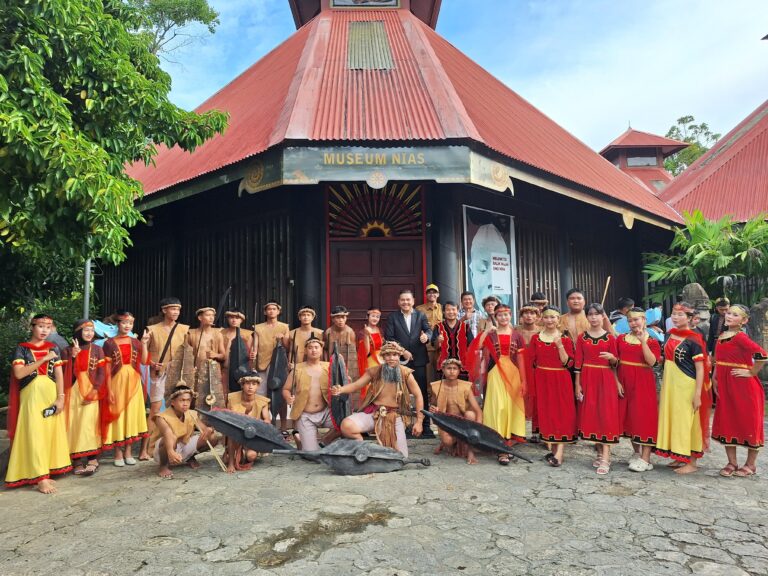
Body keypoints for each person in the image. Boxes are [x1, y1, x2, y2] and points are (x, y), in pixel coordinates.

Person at [5, 314, 71, 493]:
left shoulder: (53, 348)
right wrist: (43, 359)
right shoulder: (22, 349)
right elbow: (19, 373)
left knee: (49, 433)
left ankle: (45, 472)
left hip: (50, 393)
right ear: (32, 327)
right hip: (31, 395)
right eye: (41, 326)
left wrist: (61, 397)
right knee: (34, 434)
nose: (44, 330)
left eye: (48, 327)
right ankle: (40, 477)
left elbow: (59, 374)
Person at [333, 340, 425, 456]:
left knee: (400, 456)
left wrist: (419, 422)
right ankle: (361, 448)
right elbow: (356, 385)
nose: (391, 358)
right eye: (388, 355)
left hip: (395, 416)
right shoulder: (375, 371)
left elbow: (418, 395)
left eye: (395, 355)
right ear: (383, 357)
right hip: (374, 413)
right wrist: (340, 390)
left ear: (399, 356)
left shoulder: (406, 373)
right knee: (347, 425)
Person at [654, 302, 711, 474]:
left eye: (681, 315)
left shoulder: (694, 339)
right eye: (674, 314)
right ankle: (680, 455)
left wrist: (698, 394)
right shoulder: (669, 334)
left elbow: (700, 368)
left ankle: (692, 462)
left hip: (686, 384)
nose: (676, 317)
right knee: (675, 418)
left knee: (688, 421)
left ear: (689, 318)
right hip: (671, 383)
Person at [467, 304, 527, 465]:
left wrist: (524, 381)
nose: (503, 318)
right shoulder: (491, 335)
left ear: (510, 315)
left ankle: (507, 442)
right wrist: (486, 331)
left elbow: (521, 360)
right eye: (500, 315)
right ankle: (498, 442)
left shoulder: (517, 335)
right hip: (495, 374)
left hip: (513, 374)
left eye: (506, 314)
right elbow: (477, 346)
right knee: (497, 407)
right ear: (496, 317)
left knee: (510, 408)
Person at [712, 305, 767, 477]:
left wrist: (751, 372)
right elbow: (718, 360)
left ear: (744, 321)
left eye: (735, 315)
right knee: (728, 421)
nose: (729, 316)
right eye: (729, 313)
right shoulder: (722, 336)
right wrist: (714, 377)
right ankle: (732, 462)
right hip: (726, 386)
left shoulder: (741, 337)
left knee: (749, 423)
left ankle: (750, 465)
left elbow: (762, 354)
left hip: (744, 388)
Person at [574, 303, 623, 475]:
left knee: (606, 415)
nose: (593, 317)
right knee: (593, 414)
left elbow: (616, 363)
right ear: (586, 317)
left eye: (597, 314)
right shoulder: (582, 337)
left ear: (603, 316)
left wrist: (612, 358)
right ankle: (600, 452)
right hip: (588, 378)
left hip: (606, 378)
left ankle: (606, 457)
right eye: (590, 314)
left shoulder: (610, 338)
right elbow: (578, 362)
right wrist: (577, 384)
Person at [101, 311, 150, 467]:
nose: (127, 325)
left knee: (131, 415)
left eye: (130, 323)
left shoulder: (135, 342)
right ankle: (118, 452)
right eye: (124, 322)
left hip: (134, 381)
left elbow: (144, 361)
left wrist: (144, 343)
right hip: (117, 381)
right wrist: (109, 389)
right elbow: (106, 368)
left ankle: (128, 451)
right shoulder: (109, 343)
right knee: (118, 415)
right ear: (118, 324)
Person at [143, 297, 189, 460]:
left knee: (179, 408)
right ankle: (146, 448)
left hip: (178, 373)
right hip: (159, 373)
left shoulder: (185, 329)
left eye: (178, 309)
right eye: (172, 309)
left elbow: (189, 352)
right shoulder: (152, 329)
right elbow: (144, 358)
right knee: (155, 409)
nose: (176, 312)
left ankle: (178, 444)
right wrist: (151, 362)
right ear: (164, 310)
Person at [530, 307, 576, 467]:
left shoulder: (565, 339)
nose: (549, 320)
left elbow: (569, 363)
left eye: (553, 317)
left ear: (558, 319)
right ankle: (554, 449)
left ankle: (560, 453)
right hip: (542, 379)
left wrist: (560, 345)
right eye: (546, 317)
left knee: (561, 413)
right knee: (548, 413)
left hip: (560, 379)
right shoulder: (536, 338)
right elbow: (532, 361)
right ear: (542, 319)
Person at [384, 289, 434, 437]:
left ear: (413, 301)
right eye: (403, 300)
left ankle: (425, 426)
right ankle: (402, 425)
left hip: (419, 359)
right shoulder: (393, 317)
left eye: (408, 300)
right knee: (399, 393)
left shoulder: (420, 315)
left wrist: (427, 336)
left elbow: (429, 330)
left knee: (422, 392)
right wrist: (403, 351)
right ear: (398, 302)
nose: (405, 302)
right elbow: (389, 337)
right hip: (400, 361)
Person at [617, 308, 661, 472]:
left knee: (644, 418)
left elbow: (652, 362)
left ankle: (646, 458)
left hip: (643, 383)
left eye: (636, 319)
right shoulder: (621, 339)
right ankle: (636, 452)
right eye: (630, 320)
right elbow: (616, 362)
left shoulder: (652, 341)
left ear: (644, 320)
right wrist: (616, 381)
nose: (633, 323)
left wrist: (643, 342)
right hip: (624, 382)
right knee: (630, 417)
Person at [62, 319, 106, 476]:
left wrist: (95, 391)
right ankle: (77, 460)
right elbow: (64, 375)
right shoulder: (67, 350)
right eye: (86, 330)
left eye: (92, 330)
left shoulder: (97, 350)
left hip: (91, 390)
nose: (89, 333)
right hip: (73, 392)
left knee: (89, 424)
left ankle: (93, 459)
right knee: (74, 424)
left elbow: (101, 373)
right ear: (78, 332)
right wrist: (73, 357)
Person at [149, 384, 218, 479]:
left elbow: (204, 429)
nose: (185, 403)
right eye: (182, 400)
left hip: (182, 446)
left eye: (188, 400)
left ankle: (189, 457)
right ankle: (163, 466)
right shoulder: (161, 417)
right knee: (171, 437)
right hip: (163, 450)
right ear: (173, 402)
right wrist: (170, 451)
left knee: (212, 438)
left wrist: (210, 430)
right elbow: (167, 433)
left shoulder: (192, 414)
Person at [428, 358, 483, 464]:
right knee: (447, 441)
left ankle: (470, 451)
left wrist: (478, 429)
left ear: (459, 371)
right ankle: (447, 443)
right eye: (449, 368)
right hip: (446, 422)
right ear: (443, 370)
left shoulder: (466, 386)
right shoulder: (436, 386)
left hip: (464, 422)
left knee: (470, 414)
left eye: (455, 368)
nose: (452, 371)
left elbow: (478, 410)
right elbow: (433, 406)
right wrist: (434, 409)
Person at [283, 335, 332, 452]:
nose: (313, 350)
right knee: (311, 454)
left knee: (344, 423)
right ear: (305, 351)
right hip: (305, 415)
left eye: (316, 347)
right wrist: (288, 397)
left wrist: (347, 380)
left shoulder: (329, 366)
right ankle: (300, 439)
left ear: (321, 350)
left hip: (326, 412)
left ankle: (325, 440)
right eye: (310, 348)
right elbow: (286, 389)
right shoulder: (297, 369)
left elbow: (342, 381)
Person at [226, 373, 271, 472]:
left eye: (254, 384)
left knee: (251, 456)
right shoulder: (232, 398)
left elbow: (267, 420)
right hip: (236, 434)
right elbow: (228, 418)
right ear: (242, 385)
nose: (250, 387)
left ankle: (244, 454)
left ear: (258, 386)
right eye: (247, 383)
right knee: (231, 431)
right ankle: (231, 461)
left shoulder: (263, 401)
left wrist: (262, 425)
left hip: (253, 435)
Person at [186, 307, 226, 409]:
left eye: (213, 315)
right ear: (200, 318)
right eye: (208, 315)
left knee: (213, 399)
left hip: (213, 372)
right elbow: (185, 356)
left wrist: (216, 355)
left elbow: (223, 355)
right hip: (196, 372)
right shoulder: (191, 334)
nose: (211, 318)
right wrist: (189, 367)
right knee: (195, 399)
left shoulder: (218, 334)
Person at [252, 301, 290, 396]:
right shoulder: (258, 328)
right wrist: (253, 354)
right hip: (262, 361)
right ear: (265, 312)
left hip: (278, 362)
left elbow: (288, 347)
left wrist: (283, 338)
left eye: (274, 309)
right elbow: (255, 346)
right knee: (261, 390)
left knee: (278, 388)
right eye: (269, 309)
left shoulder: (284, 327)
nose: (271, 311)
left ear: (278, 311)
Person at [517, 303, 541, 441]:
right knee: (519, 397)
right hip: (518, 368)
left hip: (536, 368)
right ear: (521, 316)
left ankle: (537, 432)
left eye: (532, 313)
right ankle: (518, 431)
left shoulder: (542, 331)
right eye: (526, 313)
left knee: (536, 399)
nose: (529, 316)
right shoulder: (515, 330)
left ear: (537, 317)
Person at [432, 301, 473, 381]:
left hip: (462, 366)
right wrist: (438, 340)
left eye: (453, 309)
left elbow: (471, 345)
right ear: (444, 312)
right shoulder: (438, 327)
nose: (451, 312)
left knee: (462, 387)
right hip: (444, 366)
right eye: (448, 310)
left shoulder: (465, 327)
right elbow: (435, 346)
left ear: (457, 311)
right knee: (444, 387)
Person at [220, 308, 254, 393]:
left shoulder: (247, 335)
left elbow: (251, 353)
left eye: (237, 318)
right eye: (231, 317)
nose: (234, 320)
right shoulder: (221, 333)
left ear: (241, 320)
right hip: (223, 369)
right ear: (228, 318)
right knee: (223, 392)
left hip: (241, 370)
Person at [416, 283, 443, 384]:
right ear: (426, 295)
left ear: (438, 294)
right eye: (429, 292)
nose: (432, 294)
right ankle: (430, 393)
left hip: (441, 346)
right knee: (429, 374)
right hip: (427, 347)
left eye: (434, 292)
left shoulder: (442, 308)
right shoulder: (419, 309)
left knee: (442, 371)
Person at [324, 305, 359, 381]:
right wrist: (326, 365)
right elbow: (325, 350)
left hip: (347, 365)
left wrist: (350, 372)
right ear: (333, 319)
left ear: (346, 318)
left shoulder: (350, 332)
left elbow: (352, 354)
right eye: (338, 317)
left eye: (343, 317)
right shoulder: (328, 332)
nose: (341, 320)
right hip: (332, 364)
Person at [356, 307, 383, 399]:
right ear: (367, 317)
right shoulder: (362, 332)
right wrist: (366, 335)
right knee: (372, 384)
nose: (375, 318)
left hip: (381, 359)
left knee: (381, 383)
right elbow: (366, 351)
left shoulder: (379, 330)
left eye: (377, 317)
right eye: (373, 316)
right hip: (370, 359)